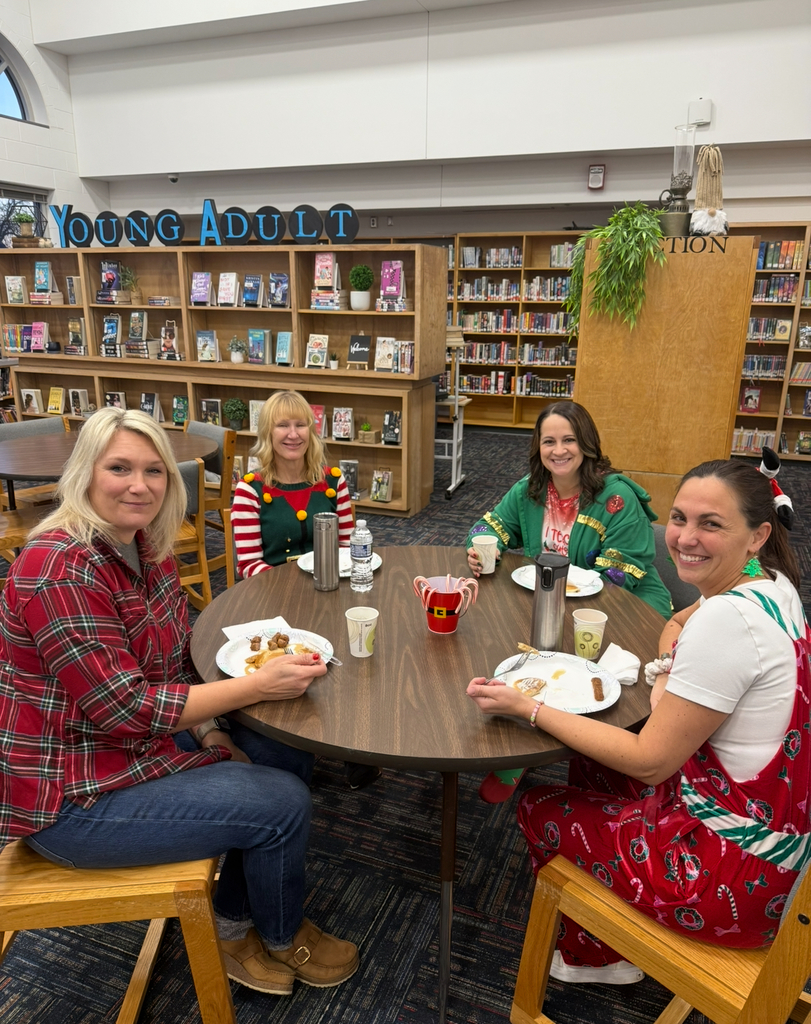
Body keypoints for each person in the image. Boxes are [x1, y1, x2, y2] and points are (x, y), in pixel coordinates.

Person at [0, 407, 359, 997]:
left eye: (153, 471)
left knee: (282, 746)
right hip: (73, 797)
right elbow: (125, 708)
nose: (139, 486)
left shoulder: (148, 546)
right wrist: (255, 685)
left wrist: (216, 732)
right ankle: (269, 932)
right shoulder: (58, 569)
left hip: (133, 750)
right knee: (284, 801)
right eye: (119, 468)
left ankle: (237, 918)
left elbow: (169, 664)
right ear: (85, 473)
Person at [467, 458, 809, 986]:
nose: (684, 538)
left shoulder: (727, 621)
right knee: (591, 759)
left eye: (710, 524)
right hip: (776, 846)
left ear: (758, 535)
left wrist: (528, 707)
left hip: (731, 882)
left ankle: (598, 960)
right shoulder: (775, 587)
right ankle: (609, 918)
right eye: (679, 518)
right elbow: (680, 623)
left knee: (539, 805)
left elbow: (650, 763)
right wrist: (674, 664)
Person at [465, 400, 671, 802]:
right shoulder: (530, 489)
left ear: (587, 445)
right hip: (550, 601)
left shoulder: (616, 497)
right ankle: (523, 745)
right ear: (538, 447)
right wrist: (478, 548)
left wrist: (565, 600)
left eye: (569, 440)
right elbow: (487, 527)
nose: (558, 450)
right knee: (521, 657)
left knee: (567, 667)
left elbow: (621, 573)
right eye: (549, 441)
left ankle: (522, 758)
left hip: (628, 608)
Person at [231, 389, 379, 791]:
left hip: (333, 590)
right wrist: (301, 590)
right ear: (267, 431)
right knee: (298, 670)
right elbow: (249, 564)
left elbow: (348, 547)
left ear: (312, 431)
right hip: (274, 598)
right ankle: (297, 744)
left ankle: (355, 744)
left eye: (301, 425)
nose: (293, 434)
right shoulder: (251, 489)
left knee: (358, 660)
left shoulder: (332, 482)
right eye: (283, 424)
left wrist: (334, 586)